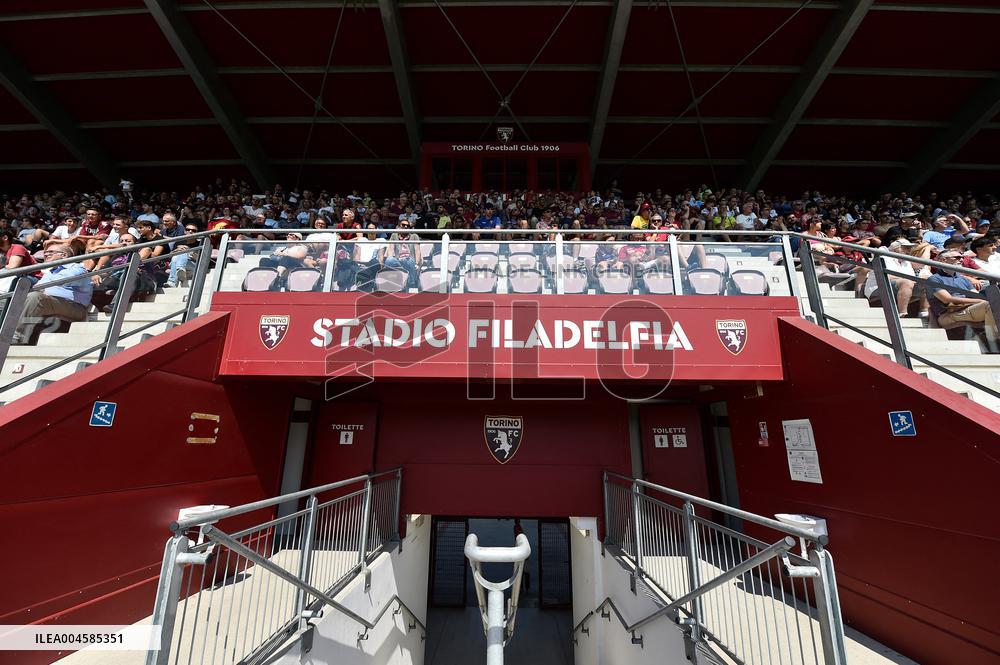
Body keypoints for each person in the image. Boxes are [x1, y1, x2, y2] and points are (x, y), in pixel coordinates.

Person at [12, 244, 93, 345]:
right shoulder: (51, 272)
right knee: (7, 300)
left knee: (35, 297)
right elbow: (38, 287)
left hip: (75, 307)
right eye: (45, 252)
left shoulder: (77, 267)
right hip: (52, 302)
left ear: (64, 255)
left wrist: (41, 288)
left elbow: (60, 281)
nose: (46, 254)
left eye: (50, 252)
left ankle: (17, 337)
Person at [927, 250, 998, 352]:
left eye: (961, 257)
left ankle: (993, 340)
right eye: (957, 257)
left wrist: (980, 300)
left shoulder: (963, 279)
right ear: (943, 260)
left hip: (967, 309)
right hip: (948, 314)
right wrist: (980, 301)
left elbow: (975, 295)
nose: (961, 260)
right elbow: (947, 299)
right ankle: (994, 343)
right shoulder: (934, 279)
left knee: (994, 304)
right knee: (989, 305)